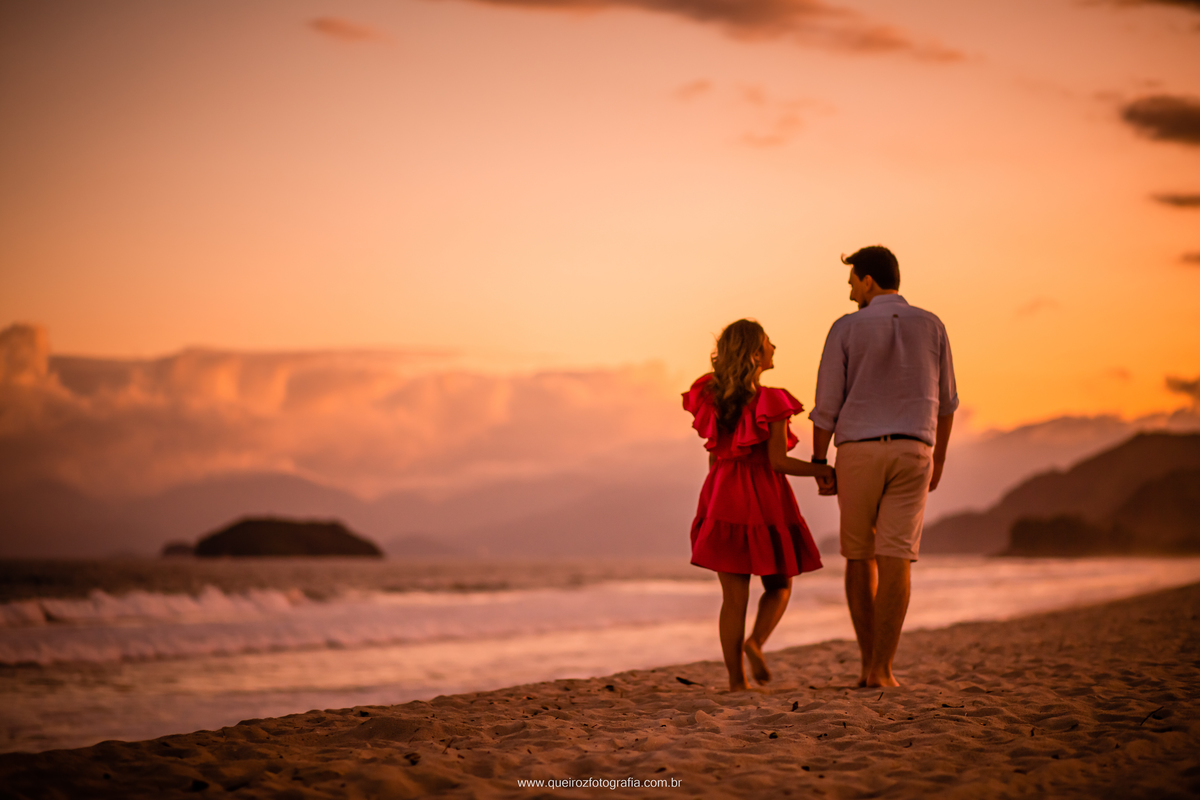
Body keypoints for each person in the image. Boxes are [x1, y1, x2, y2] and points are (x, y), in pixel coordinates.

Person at [809, 245, 958, 689]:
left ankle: (866, 665)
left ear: (868, 281)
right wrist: (940, 459)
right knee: (898, 559)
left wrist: (820, 461)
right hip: (915, 450)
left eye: (852, 280)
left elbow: (826, 404)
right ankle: (884, 669)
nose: (851, 289)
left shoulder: (845, 327)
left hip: (858, 451)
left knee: (859, 556)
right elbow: (947, 403)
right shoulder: (932, 325)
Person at [683, 319, 834, 692]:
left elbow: (712, 455)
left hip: (722, 491)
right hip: (764, 495)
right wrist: (823, 469)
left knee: (733, 598)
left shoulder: (710, 395)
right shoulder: (771, 401)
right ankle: (756, 642)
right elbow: (779, 462)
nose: (774, 347)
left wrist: (711, 498)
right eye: (768, 342)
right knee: (779, 584)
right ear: (754, 353)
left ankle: (737, 682)